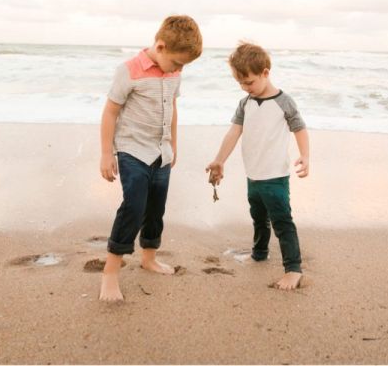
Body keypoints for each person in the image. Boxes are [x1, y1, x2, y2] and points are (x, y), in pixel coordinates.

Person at [99, 15, 202, 301]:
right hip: (132, 149)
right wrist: (107, 154)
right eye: (178, 63)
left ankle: (148, 257)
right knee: (134, 206)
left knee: (156, 208)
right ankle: (110, 273)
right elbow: (110, 112)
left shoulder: (174, 74)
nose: (180, 69)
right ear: (160, 46)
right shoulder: (129, 70)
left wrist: (174, 144)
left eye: (184, 66)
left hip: (162, 152)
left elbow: (173, 109)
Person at [206, 42, 309, 290]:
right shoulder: (245, 103)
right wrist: (219, 160)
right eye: (240, 83)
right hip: (253, 175)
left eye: (249, 82)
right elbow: (234, 132)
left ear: (265, 72)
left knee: (282, 221)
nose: (245, 87)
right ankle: (259, 253)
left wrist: (305, 156)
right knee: (258, 217)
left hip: (275, 176)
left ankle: (293, 269)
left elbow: (300, 129)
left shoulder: (284, 102)